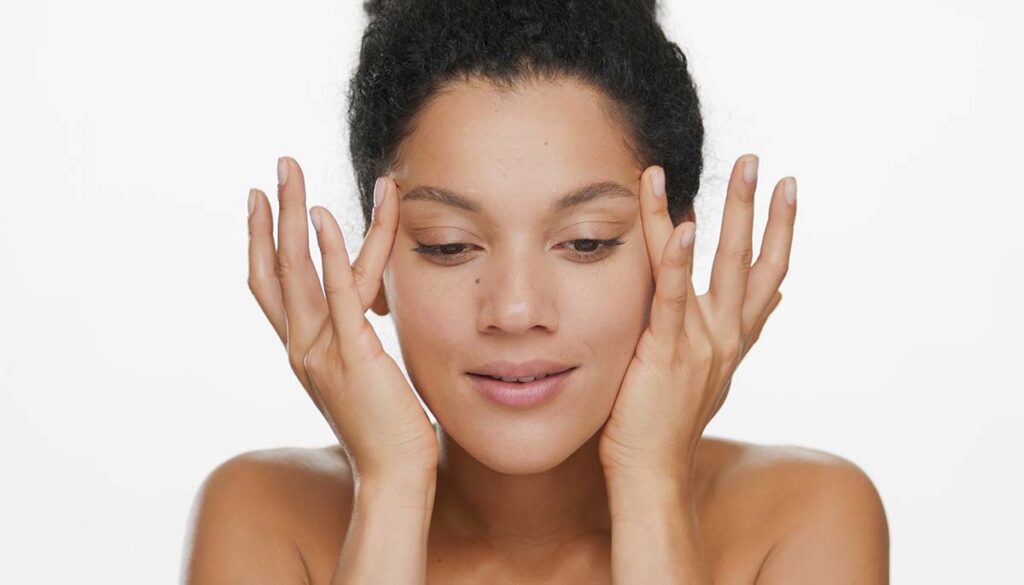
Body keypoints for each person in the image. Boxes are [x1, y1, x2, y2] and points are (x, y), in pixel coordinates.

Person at [181, 0, 889, 582]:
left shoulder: (806, 518)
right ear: (376, 260)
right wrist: (391, 485)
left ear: (670, 251)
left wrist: (651, 483)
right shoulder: (266, 519)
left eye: (585, 241)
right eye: (449, 245)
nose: (516, 310)